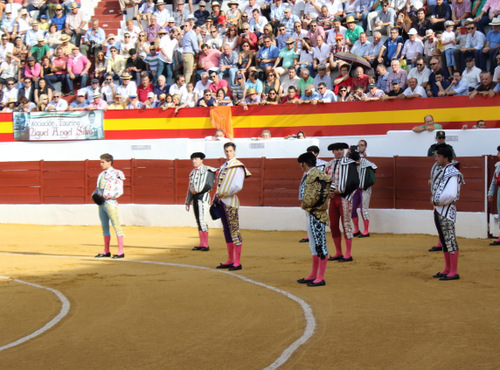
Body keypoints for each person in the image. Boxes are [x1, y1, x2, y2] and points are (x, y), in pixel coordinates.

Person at [214, 142, 252, 271]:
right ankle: (230, 260)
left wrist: (223, 194)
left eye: (230, 151)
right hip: (222, 201)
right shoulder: (223, 166)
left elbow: (238, 186)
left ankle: (237, 261)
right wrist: (216, 197)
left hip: (230, 202)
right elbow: (219, 185)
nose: (228, 153)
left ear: (235, 152)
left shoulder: (238, 166)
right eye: (226, 151)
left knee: (234, 230)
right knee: (226, 230)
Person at [297, 152, 332, 287]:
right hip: (311, 213)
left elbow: (319, 195)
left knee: (320, 245)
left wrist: (306, 203)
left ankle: (320, 277)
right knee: (313, 245)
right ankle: (313, 274)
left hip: (317, 213)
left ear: (303, 164)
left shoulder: (316, 175)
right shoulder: (313, 175)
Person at [431, 146, 464, 280]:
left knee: (449, 239)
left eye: (438, 156)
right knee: (445, 240)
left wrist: (437, 201)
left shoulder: (452, 173)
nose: (436, 159)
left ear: (445, 157)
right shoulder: (445, 171)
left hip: (445, 210)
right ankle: (447, 268)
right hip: (439, 209)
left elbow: (451, 194)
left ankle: (454, 271)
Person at [324, 142, 360, 262]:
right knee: (333, 225)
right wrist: (328, 192)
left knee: (346, 224)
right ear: (333, 152)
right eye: (337, 150)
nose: (339, 151)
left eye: (341, 149)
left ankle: (348, 254)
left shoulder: (350, 164)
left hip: (344, 198)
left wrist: (340, 191)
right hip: (332, 199)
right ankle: (338, 252)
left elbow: (355, 182)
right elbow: (324, 181)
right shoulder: (328, 165)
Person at [94, 153, 126, 259]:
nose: (100, 164)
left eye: (102, 162)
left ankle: (120, 251)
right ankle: (106, 251)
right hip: (101, 204)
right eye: (100, 162)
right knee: (104, 227)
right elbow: (99, 188)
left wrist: (107, 196)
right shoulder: (101, 174)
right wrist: (95, 195)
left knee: (116, 226)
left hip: (110, 202)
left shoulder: (117, 173)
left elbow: (119, 191)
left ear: (109, 162)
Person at [186, 152, 217, 252]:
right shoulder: (192, 172)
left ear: (201, 160)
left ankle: (206, 244)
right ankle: (201, 243)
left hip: (203, 197)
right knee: (198, 220)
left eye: (196, 159)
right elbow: (189, 188)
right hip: (195, 197)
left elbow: (208, 185)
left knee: (202, 220)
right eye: (192, 159)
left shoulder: (208, 170)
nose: (194, 161)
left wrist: (196, 190)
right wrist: (187, 202)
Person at [351, 141, 377, 237]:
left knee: (363, 210)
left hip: (365, 189)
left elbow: (374, 168)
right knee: (352, 209)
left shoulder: (366, 162)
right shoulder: (352, 162)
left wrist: (366, 181)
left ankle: (366, 231)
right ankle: (356, 229)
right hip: (356, 189)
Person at [488, 145, 500, 245]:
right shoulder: (498, 166)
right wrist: (490, 193)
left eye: (499, 153)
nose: (497, 155)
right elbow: (494, 181)